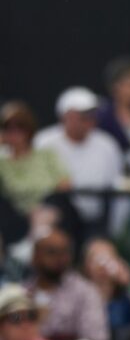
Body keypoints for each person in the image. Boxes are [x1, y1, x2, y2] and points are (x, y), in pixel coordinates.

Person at [34, 87, 123, 233]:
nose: (90, 119)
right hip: (56, 222)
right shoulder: (43, 142)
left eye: (93, 114)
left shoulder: (107, 144)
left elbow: (117, 186)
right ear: (65, 116)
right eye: (83, 115)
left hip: (96, 222)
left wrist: (114, 229)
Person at [0, 102, 70, 247]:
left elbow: (65, 183)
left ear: (29, 130)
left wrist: (40, 207)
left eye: (20, 128)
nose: (14, 134)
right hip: (16, 215)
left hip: (52, 208)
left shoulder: (46, 153)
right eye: (8, 129)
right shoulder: (2, 161)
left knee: (52, 205)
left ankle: (37, 242)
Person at [25, 228, 109, 340]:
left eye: (65, 252)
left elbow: (95, 338)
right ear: (35, 256)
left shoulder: (85, 292)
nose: (60, 258)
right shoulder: (23, 293)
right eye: (52, 252)